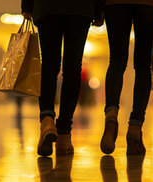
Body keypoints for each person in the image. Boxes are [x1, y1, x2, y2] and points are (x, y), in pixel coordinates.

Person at [21, 0, 104, 156]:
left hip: (47, 6)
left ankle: (46, 120)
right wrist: (98, 8)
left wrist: (27, 5)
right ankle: (64, 135)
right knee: (73, 68)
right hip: (80, 8)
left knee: (48, 65)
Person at [100, 0, 153, 155]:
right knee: (143, 66)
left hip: (116, 4)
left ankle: (111, 115)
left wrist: (99, 6)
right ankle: (135, 127)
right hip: (148, 4)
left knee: (116, 62)